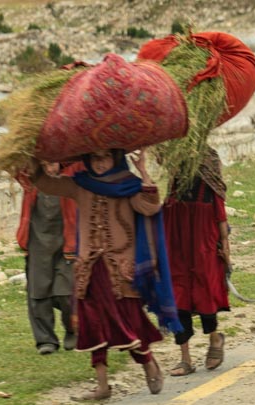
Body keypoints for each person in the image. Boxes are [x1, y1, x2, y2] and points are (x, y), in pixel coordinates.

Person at [26, 148, 181, 401]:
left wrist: (143, 172)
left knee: (128, 322)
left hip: (120, 271)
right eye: (95, 158)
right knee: (91, 325)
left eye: (105, 157)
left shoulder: (129, 186)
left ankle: (148, 363)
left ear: (115, 158)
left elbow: (150, 207)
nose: (99, 164)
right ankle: (102, 386)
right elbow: (45, 183)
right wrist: (33, 156)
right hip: (88, 269)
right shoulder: (81, 185)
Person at [163, 147, 230, 376]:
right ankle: (185, 359)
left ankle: (215, 338)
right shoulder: (171, 184)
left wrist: (225, 249)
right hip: (177, 249)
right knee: (178, 299)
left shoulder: (209, 176)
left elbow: (221, 219)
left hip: (204, 248)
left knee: (205, 297)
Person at [16, 161, 83, 355]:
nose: (50, 169)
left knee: (66, 293)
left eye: (53, 164)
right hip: (37, 242)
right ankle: (45, 340)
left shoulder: (72, 174)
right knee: (38, 292)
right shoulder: (30, 178)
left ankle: (72, 330)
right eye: (44, 165)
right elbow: (13, 168)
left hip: (67, 243)